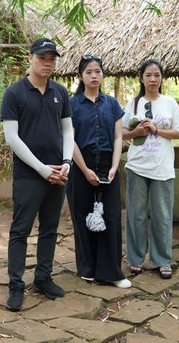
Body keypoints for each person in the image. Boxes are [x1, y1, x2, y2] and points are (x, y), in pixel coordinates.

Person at [0, 37, 74, 311]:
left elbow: (67, 129)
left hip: (59, 172)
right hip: (30, 175)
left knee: (50, 228)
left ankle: (43, 278)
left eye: (52, 58)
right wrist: (42, 169)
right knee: (20, 230)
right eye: (43, 57)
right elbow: (12, 138)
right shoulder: (15, 93)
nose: (48, 63)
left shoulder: (60, 92)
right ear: (30, 58)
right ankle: (16, 285)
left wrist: (67, 161)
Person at [67, 54, 131, 288]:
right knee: (82, 215)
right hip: (80, 163)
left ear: (103, 74)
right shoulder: (72, 104)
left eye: (98, 71)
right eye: (89, 72)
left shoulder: (112, 104)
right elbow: (70, 139)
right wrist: (84, 169)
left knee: (111, 216)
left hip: (108, 164)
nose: (94, 76)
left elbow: (118, 137)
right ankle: (87, 268)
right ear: (81, 77)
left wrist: (115, 166)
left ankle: (111, 272)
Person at [122, 59, 179, 279]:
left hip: (163, 167)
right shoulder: (133, 103)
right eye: (148, 75)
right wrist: (137, 132)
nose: (153, 79)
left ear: (161, 78)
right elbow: (121, 133)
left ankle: (162, 259)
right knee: (136, 215)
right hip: (138, 166)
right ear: (141, 78)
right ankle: (136, 258)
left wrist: (156, 130)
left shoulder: (170, 103)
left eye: (157, 75)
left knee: (163, 216)